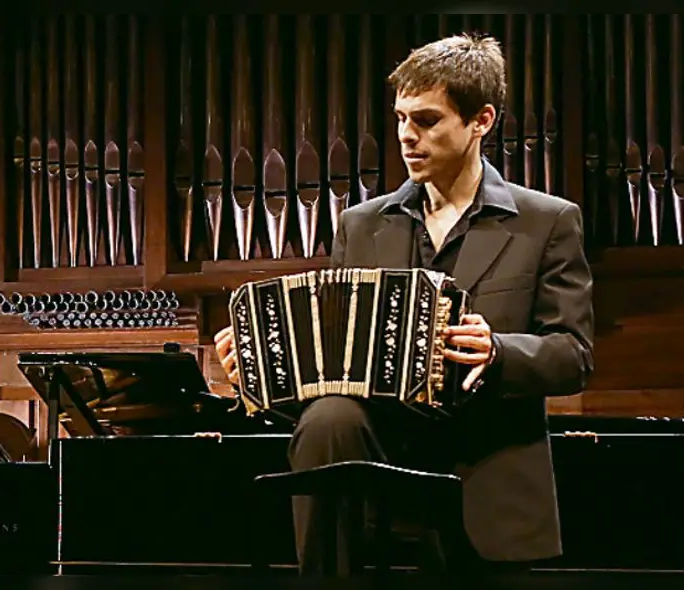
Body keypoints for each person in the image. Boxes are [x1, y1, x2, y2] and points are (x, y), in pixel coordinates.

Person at [215, 33, 594, 576]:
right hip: (372, 482)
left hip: (483, 479)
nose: (406, 137)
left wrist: (497, 352)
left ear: (480, 121)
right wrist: (259, 369)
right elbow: (329, 364)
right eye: (400, 119)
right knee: (329, 415)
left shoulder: (548, 221)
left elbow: (573, 354)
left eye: (427, 120)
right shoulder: (361, 225)